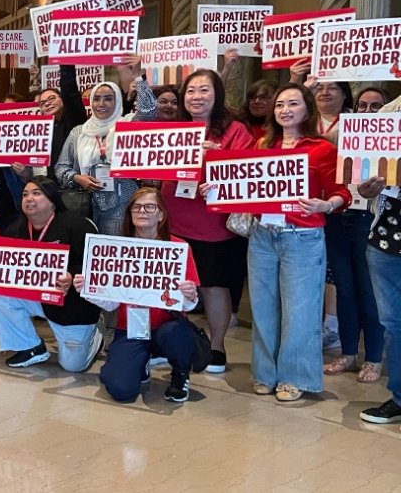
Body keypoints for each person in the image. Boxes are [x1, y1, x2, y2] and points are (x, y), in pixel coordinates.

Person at [243, 82, 350, 401]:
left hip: (302, 238)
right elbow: (244, 185)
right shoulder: (262, 146)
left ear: (307, 109)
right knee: (262, 308)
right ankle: (265, 372)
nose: (284, 110)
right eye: (279, 105)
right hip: (263, 236)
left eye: (292, 103)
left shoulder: (322, 149)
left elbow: (342, 193)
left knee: (300, 311)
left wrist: (326, 204)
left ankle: (294, 377)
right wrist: (219, 190)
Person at [161, 70, 255, 373]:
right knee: (173, 283)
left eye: (204, 90)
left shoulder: (235, 131)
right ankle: (169, 342)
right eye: (190, 91)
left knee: (214, 286)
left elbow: (247, 173)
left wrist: (217, 157)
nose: (197, 97)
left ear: (217, 95)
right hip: (173, 217)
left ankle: (217, 347)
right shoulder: (171, 130)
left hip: (213, 222)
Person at [76, 188, 200, 402]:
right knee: (120, 389)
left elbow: (187, 304)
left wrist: (190, 296)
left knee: (176, 334)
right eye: (137, 206)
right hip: (132, 327)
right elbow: (110, 304)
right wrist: (88, 289)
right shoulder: (117, 248)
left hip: (167, 326)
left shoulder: (178, 247)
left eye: (150, 206)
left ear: (161, 215)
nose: (142, 211)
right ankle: (138, 362)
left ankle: (180, 375)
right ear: (130, 214)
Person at [0, 176, 103, 371]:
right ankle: (30, 347)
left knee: (72, 367)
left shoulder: (79, 225)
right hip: (39, 299)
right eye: (25, 194)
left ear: (53, 201)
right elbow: (1, 267)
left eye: (36, 193)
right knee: (2, 293)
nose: (29, 198)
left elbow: (94, 263)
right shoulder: (15, 230)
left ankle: (95, 335)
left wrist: (72, 276)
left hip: (72, 305)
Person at [322, 87, 388, 382]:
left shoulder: (393, 141)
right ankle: (348, 354)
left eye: (376, 107)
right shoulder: (341, 134)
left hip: (372, 221)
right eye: (362, 105)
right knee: (345, 291)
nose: (367, 112)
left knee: (368, 292)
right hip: (338, 218)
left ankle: (373, 358)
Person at [54, 56, 155, 235]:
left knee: (111, 256)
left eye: (108, 98)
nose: (101, 104)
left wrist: (138, 75)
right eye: (97, 98)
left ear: (117, 102)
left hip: (120, 205)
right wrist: (78, 178)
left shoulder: (127, 126)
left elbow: (149, 112)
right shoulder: (79, 132)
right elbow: (61, 168)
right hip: (83, 206)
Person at [357, 175, 401, 425]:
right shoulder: (386, 135)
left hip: (386, 245)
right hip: (385, 242)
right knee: (394, 326)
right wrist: (366, 191)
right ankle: (400, 398)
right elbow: (364, 189)